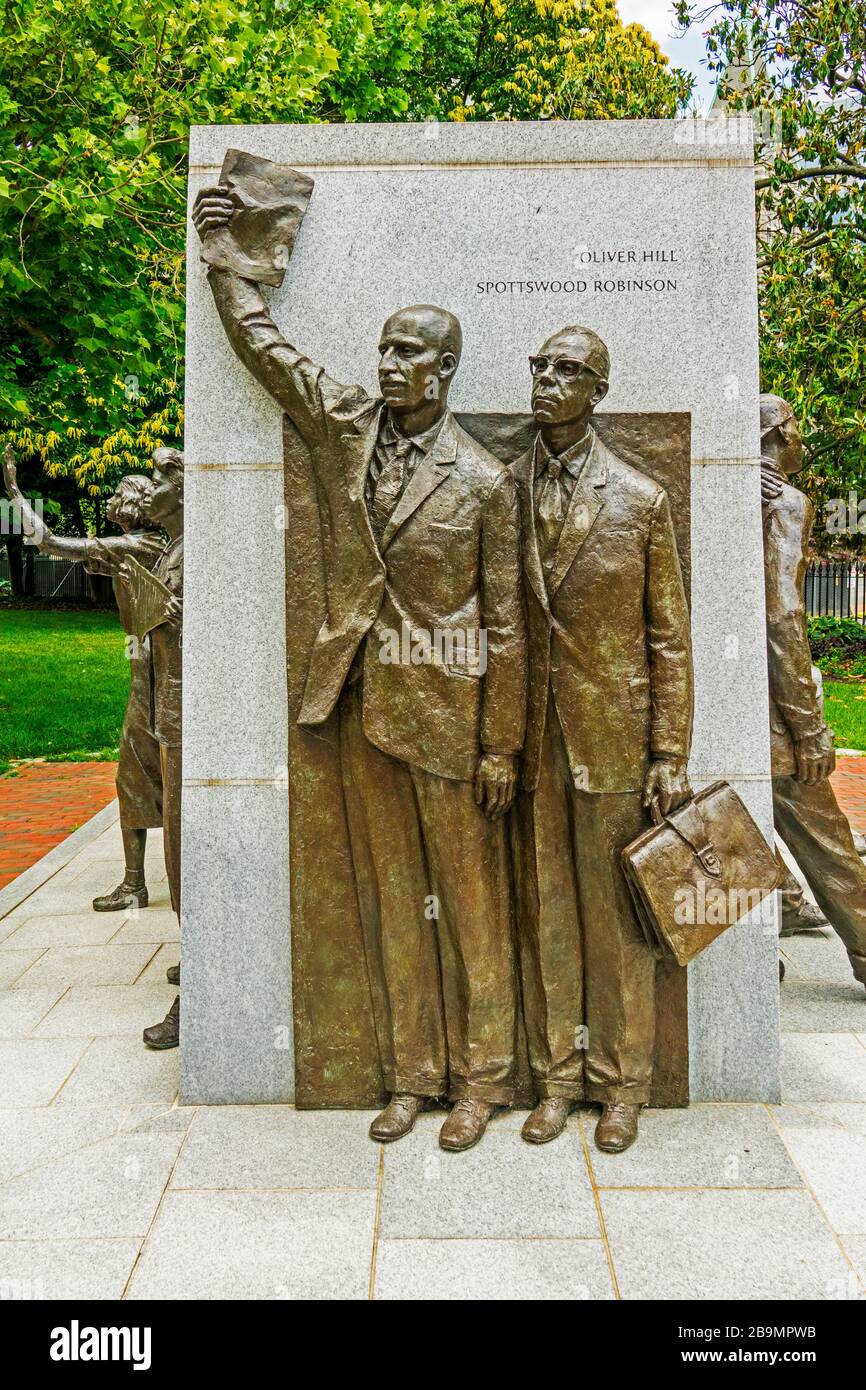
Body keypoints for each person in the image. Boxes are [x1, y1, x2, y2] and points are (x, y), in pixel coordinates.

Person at [192, 183, 526, 1150]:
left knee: (467, 906)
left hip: (454, 719)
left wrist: (501, 742)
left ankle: (485, 1080)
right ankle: (415, 1075)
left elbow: (504, 626)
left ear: (447, 368)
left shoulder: (484, 481)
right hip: (365, 702)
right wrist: (227, 252)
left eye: (409, 351)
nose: (388, 363)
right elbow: (268, 347)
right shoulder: (345, 424)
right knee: (394, 901)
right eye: (383, 348)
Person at [509, 326, 694, 1154]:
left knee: (617, 921)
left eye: (569, 371)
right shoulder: (500, 489)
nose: (549, 380)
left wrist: (669, 752)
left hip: (614, 739)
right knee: (549, 909)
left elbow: (669, 639)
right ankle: (557, 1079)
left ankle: (624, 1084)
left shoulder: (641, 499)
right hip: (529, 741)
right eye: (541, 367)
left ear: (599, 392)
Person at [2, 445, 165, 912]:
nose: (111, 498)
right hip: (148, 671)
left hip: (154, 677)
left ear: (135, 504)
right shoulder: (134, 548)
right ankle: (140, 879)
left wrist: (14, 491)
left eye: (119, 493)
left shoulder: (135, 545)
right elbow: (80, 556)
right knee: (141, 777)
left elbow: (51, 544)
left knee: (138, 776)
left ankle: (138, 882)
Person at [759, 394, 866, 991]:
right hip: (772, 710)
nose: (802, 435)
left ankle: (781, 904)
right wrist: (807, 724)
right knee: (826, 833)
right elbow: (783, 615)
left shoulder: (721, 491)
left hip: (700, 698)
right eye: (796, 424)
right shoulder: (785, 504)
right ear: (777, 433)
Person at [132, 447, 184, 1047]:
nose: (154, 485)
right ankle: (194, 962)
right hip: (171, 717)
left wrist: (177, 614)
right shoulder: (168, 548)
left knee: (185, 857)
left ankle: (196, 992)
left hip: (194, 719)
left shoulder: (201, 548)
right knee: (176, 851)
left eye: (168, 475)